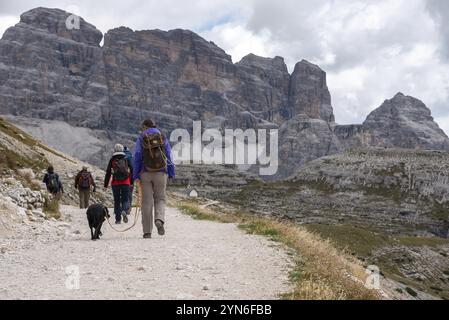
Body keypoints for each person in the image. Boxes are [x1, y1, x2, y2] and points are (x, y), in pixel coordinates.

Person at [133, 119, 175, 239]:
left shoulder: (141, 137)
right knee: (160, 198)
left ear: (145, 126)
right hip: (161, 172)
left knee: (146, 201)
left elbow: (137, 156)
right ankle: (159, 220)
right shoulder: (162, 137)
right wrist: (171, 173)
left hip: (145, 172)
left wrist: (135, 175)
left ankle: (147, 232)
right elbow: (169, 155)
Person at [104, 144, 133, 224]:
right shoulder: (126, 159)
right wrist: (131, 182)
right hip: (126, 182)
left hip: (115, 183)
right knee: (125, 199)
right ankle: (124, 210)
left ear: (115, 150)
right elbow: (132, 170)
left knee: (117, 201)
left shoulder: (112, 159)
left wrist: (105, 185)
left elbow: (108, 173)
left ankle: (118, 219)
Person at [123, 146, 134, 215]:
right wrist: (132, 181)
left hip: (120, 180)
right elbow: (133, 169)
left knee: (122, 194)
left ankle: (122, 208)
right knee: (129, 194)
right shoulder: (131, 157)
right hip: (129, 179)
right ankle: (128, 209)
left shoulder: (119, 157)